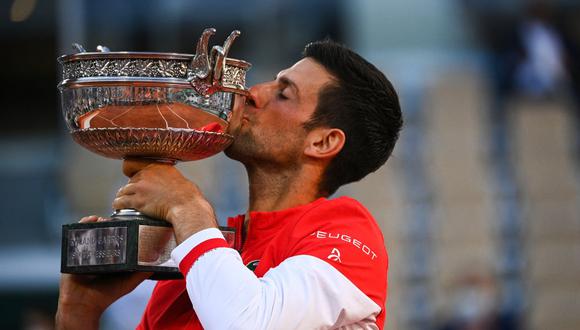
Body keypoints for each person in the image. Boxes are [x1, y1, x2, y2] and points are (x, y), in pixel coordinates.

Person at [55, 39, 403, 329]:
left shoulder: (347, 231)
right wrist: (78, 312)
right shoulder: (200, 257)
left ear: (323, 142)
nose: (252, 92)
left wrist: (185, 204)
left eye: (284, 94)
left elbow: (247, 323)